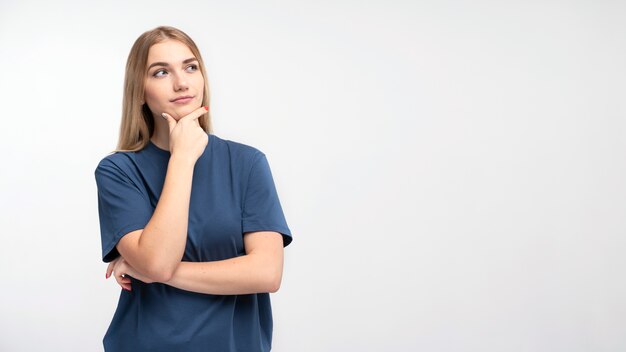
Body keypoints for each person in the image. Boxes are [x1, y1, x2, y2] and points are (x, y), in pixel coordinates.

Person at [94, 25, 293, 352]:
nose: (181, 82)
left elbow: (266, 273)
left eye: (190, 67)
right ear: (140, 91)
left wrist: (155, 273)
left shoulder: (247, 163)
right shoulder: (118, 171)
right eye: (161, 72)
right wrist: (183, 159)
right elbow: (157, 262)